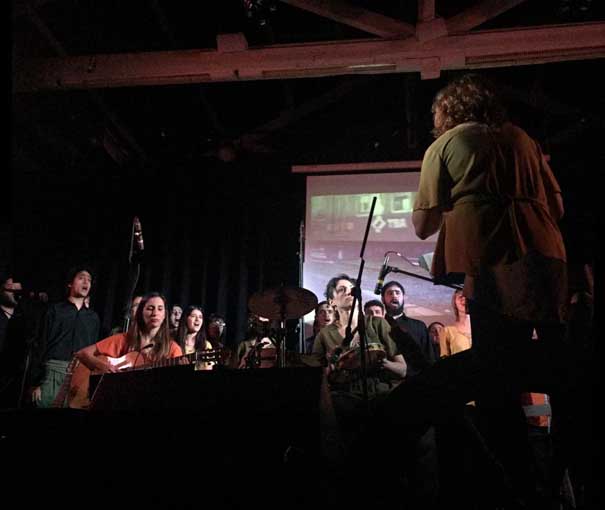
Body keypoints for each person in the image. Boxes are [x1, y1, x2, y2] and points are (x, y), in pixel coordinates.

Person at [371, 73, 569, 509]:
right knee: (561, 373)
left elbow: (423, 224)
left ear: (446, 115)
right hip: (546, 257)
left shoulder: (445, 145)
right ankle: (562, 480)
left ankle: (514, 489)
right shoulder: (523, 138)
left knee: (496, 374)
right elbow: (556, 206)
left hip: (492, 259)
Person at [29, 266, 100, 408]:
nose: (86, 282)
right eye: (81, 278)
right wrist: (35, 382)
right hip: (54, 371)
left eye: (89, 280)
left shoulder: (93, 318)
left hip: (81, 375)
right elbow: (41, 344)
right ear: (70, 283)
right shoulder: (55, 310)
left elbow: (94, 352)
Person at [76, 292, 182, 374]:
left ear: (164, 316)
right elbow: (82, 353)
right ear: (140, 313)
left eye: (160, 309)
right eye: (150, 308)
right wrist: (101, 366)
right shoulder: (123, 339)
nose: (155, 313)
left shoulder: (173, 349)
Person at [381, 281, 438, 364]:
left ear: (403, 297)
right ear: (383, 299)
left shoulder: (419, 326)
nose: (394, 296)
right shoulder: (378, 326)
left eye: (397, 293)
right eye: (390, 293)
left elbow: (429, 357)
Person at [175, 305, 214, 370]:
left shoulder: (206, 345)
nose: (197, 319)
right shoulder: (174, 343)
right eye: (193, 316)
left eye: (200, 317)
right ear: (185, 319)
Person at [439, 289, 472, 358]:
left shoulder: (483, 328)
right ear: (455, 302)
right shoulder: (446, 331)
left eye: (467, 296)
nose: (464, 299)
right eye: (460, 297)